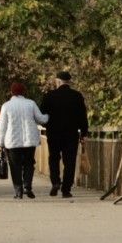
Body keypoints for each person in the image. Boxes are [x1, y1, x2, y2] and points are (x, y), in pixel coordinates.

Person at [39, 70, 88, 198]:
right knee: (69, 161)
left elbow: (42, 115)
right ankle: (66, 189)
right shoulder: (77, 96)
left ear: (58, 81)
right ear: (69, 82)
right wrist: (84, 133)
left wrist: (46, 126)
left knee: (54, 158)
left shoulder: (49, 96)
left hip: (54, 133)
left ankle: (55, 182)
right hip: (71, 134)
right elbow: (83, 116)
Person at [0, 82, 48, 199]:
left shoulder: (6, 106)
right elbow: (41, 119)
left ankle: (18, 191)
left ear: (11, 92)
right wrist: (49, 116)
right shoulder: (31, 104)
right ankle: (27, 187)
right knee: (29, 164)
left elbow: (2, 127)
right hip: (29, 141)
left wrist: (0, 143)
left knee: (15, 166)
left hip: (12, 142)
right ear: (24, 92)